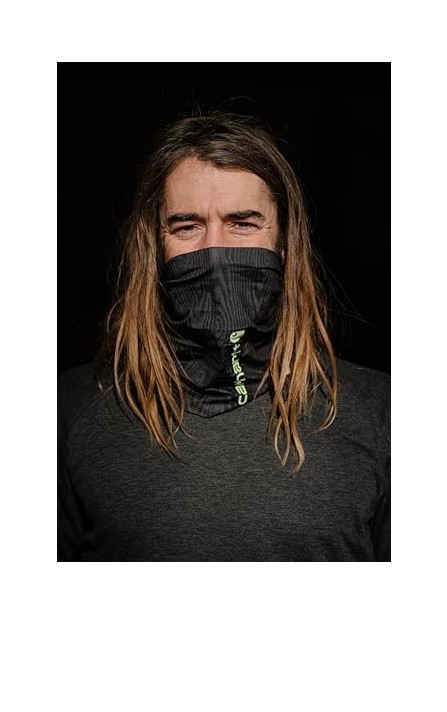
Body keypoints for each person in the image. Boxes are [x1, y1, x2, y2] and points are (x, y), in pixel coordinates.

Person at [58, 110, 390, 561]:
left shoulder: (380, 414)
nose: (214, 249)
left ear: (284, 246)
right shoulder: (72, 410)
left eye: (243, 223)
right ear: (156, 249)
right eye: (187, 226)